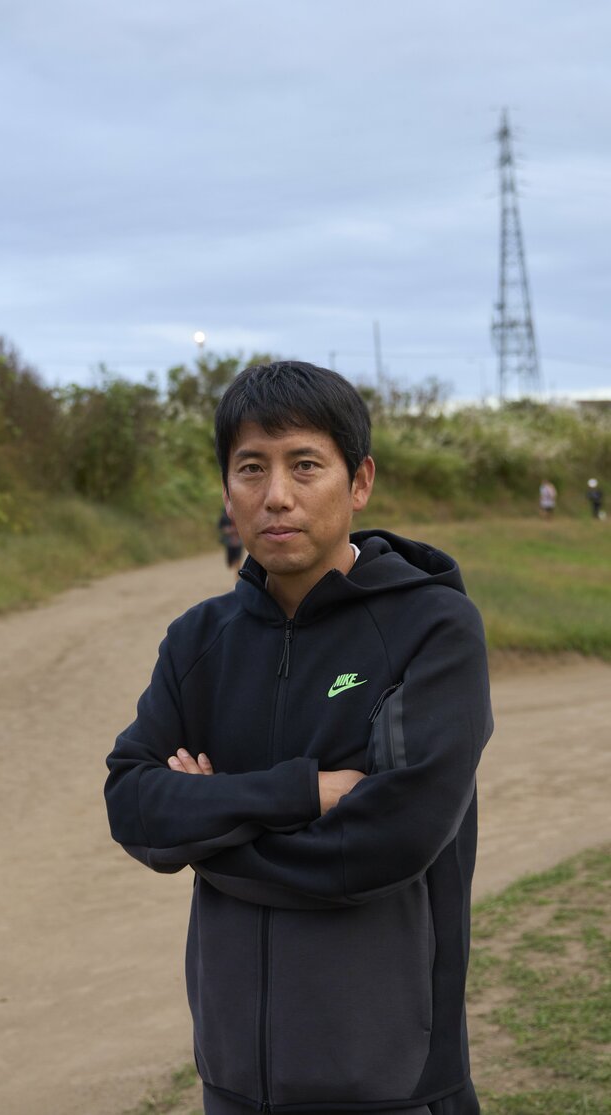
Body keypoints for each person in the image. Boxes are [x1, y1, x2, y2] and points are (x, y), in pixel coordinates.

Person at [105, 361, 493, 1115]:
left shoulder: (433, 629)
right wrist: (301, 792)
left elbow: (384, 839)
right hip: (234, 1080)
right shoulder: (199, 640)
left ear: (359, 483)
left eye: (305, 464)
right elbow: (132, 802)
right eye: (251, 467)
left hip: (390, 1079)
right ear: (227, 490)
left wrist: (206, 820)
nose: (275, 494)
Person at [217, 507, 243, 573]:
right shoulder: (224, 517)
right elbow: (220, 527)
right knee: (230, 563)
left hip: (238, 542)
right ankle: (233, 565)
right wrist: (227, 530)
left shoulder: (240, 515)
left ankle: (237, 574)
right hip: (229, 542)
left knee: (238, 560)